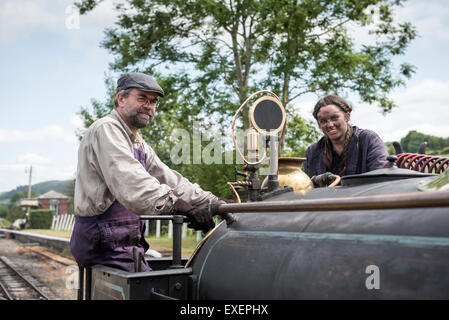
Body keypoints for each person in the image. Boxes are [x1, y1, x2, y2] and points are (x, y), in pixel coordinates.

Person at [70, 72, 223, 272]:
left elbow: (168, 178)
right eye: (142, 98)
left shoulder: (137, 142)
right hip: (104, 240)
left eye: (153, 102)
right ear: (121, 98)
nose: (148, 106)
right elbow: (133, 183)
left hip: (124, 240)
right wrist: (179, 206)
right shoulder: (107, 129)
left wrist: (211, 202)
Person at [303, 94, 388, 187]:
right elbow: (305, 187)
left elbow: (382, 180)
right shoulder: (313, 152)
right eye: (323, 121)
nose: (330, 124)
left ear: (347, 116)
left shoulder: (368, 140)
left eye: (334, 118)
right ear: (319, 124)